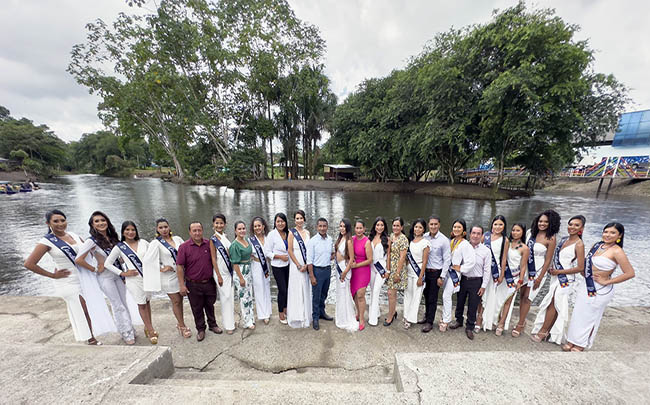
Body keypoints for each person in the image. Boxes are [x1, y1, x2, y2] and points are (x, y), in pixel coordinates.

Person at [24, 210, 114, 344]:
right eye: (56, 221)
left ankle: (91, 334)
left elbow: (91, 250)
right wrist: (53, 275)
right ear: (48, 223)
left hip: (84, 277)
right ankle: (90, 338)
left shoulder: (73, 235)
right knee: (82, 309)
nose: (60, 224)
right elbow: (29, 264)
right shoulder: (46, 242)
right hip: (67, 280)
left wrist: (102, 261)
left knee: (89, 307)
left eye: (62, 220)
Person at [563, 222, 635, 351]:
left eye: (613, 233)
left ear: (620, 235)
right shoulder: (597, 246)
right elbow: (587, 264)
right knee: (579, 314)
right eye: (606, 232)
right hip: (586, 284)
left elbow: (630, 273)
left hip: (601, 289)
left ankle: (581, 343)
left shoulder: (617, 251)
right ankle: (572, 340)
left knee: (591, 316)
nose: (608, 235)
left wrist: (607, 282)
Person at [75, 211, 140, 345]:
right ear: (92, 225)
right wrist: (94, 269)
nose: (101, 223)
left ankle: (129, 328)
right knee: (117, 305)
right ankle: (126, 333)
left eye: (103, 220)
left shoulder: (112, 237)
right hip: (105, 277)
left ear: (107, 222)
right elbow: (79, 259)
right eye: (97, 221)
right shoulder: (91, 241)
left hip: (118, 274)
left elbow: (118, 257)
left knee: (124, 303)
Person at [531, 215, 586, 344]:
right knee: (551, 302)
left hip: (566, 279)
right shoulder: (563, 240)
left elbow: (580, 267)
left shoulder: (579, 244)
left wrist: (559, 271)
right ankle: (548, 331)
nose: (572, 227)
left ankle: (543, 332)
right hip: (555, 277)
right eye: (570, 224)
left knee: (554, 304)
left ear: (581, 228)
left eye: (576, 225)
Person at [104, 221, 157, 344]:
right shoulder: (120, 247)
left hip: (147, 277)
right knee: (141, 304)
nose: (130, 232)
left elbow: (153, 257)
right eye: (127, 230)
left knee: (147, 301)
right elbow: (108, 263)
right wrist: (122, 273)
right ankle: (151, 330)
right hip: (133, 280)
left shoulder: (143, 243)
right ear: (123, 232)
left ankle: (147, 326)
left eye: (133, 229)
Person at [513, 210, 560, 337]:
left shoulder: (551, 238)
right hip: (525, 269)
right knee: (521, 296)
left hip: (538, 271)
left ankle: (520, 324)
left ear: (551, 223)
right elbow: (520, 246)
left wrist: (540, 278)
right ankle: (521, 322)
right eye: (540, 221)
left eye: (545, 222)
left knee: (528, 298)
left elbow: (548, 260)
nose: (542, 224)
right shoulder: (530, 233)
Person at [143, 218, 192, 338]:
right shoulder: (156, 243)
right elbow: (147, 261)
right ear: (157, 229)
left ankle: (180, 323)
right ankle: (182, 325)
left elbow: (187, 251)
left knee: (181, 300)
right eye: (161, 228)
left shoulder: (178, 239)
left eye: (165, 227)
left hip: (182, 274)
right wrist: (161, 267)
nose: (164, 230)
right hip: (169, 277)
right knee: (176, 301)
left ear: (169, 227)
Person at [177, 221, 222, 342]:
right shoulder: (184, 247)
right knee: (196, 308)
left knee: (210, 305)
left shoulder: (209, 244)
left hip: (209, 282)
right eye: (194, 231)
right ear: (190, 232)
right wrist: (182, 285)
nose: (197, 233)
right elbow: (180, 267)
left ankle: (213, 325)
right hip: (193, 283)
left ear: (202, 230)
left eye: (199, 230)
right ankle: (201, 329)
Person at [450, 225, 491, 340]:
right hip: (463, 279)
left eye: (478, 233)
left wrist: (483, 286)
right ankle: (458, 320)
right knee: (460, 301)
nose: (475, 236)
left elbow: (487, 270)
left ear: (482, 235)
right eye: (473, 233)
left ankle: (469, 326)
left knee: (473, 305)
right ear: (469, 234)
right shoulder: (463, 246)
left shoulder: (486, 251)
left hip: (476, 281)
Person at [494, 223, 529, 336]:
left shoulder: (524, 248)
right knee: (498, 298)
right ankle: (495, 319)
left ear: (522, 232)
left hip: (513, 278)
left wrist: (520, 281)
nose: (515, 232)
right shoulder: (506, 243)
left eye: (518, 230)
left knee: (508, 301)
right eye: (513, 230)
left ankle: (502, 323)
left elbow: (523, 266)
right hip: (503, 276)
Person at [440, 219, 475, 332]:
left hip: (455, 274)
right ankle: (445, 317)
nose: (456, 229)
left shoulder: (465, 245)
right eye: (455, 227)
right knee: (445, 295)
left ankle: (446, 320)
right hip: (446, 272)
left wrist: (461, 268)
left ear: (464, 230)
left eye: (459, 227)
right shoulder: (450, 241)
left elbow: (471, 262)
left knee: (446, 295)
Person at [421, 215, 451, 333]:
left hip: (436, 273)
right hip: (425, 272)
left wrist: (442, 276)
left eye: (435, 224)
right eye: (431, 224)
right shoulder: (424, 237)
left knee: (433, 298)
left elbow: (447, 260)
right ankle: (426, 315)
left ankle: (429, 322)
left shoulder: (444, 240)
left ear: (439, 225)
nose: (433, 226)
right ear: (428, 225)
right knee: (426, 295)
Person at [479, 215, 509, 332]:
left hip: (495, 271)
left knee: (491, 296)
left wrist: (501, 275)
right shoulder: (485, 236)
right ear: (492, 225)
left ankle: (487, 321)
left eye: (500, 224)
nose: (497, 227)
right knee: (481, 296)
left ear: (504, 226)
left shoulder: (505, 240)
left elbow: (503, 259)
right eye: (495, 224)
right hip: (482, 270)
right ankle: (479, 319)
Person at [306, 218, 334, 330]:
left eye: (324, 226)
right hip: (317, 271)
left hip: (327, 270)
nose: (322, 228)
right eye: (320, 226)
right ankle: (315, 318)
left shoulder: (330, 239)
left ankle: (322, 313)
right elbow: (309, 261)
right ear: (317, 227)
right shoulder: (312, 241)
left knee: (324, 294)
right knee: (316, 296)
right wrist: (312, 276)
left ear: (327, 227)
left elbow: (330, 254)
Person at [286, 210, 312, 328]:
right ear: (294, 220)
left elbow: (310, 251)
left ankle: (305, 316)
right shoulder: (291, 233)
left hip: (305, 265)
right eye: (297, 218)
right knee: (296, 289)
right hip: (295, 265)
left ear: (304, 219)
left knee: (305, 288)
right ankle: (296, 316)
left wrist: (306, 265)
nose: (299, 220)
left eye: (301, 218)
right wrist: (298, 265)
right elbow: (290, 250)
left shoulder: (308, 233)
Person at [209, 214, 234, 334]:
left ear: (225, 224)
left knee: (230, 297)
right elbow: (213, 258)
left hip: (229, 271)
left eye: (221, 223)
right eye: (217, 223)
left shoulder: (225, 237)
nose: (219, 225)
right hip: (220, 272)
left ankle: (231, 323)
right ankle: (228, 325)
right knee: (225, 297)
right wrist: (218, 275)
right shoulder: (213, 239)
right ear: (213, 225)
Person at [264, 213, 290, 324]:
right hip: (277, 266)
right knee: (282, 289)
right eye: (278, 221)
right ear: (275, 222)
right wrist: (279, 256)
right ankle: (280, 314)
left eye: (282, 221)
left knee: (288, 289)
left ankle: (286, 310)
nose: (280, 223)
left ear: (285, 222)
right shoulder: (271, 235)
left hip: (288, 265)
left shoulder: (288, 233)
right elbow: (267, 252)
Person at [403, 219, 430, 329]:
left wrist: (421, 277)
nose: (417, 229)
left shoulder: (425, 243)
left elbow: (425, 261)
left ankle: (410, 319)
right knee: (407, 295)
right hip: (409, 272)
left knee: (416, 297)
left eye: (420, 227)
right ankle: (405, 315)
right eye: (416, 227)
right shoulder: (410, 241)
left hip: (418, 272)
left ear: (423, 229)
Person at [229, 221, 256, 330]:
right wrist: (240, 278)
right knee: (244, 298)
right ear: (235, 231)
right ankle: (246, 321)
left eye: (243, 228)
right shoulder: (234, 245)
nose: (242, 231)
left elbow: (249, 254)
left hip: (248, 269)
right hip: (240, 271)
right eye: (239, 229)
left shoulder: (246, 240)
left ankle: (251, 318)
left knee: (249, 295)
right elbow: (235, 263)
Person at [335, 219, 359, 331]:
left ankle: (346, 318)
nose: (342, 228)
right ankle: (341, 316)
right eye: (340, 226)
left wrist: (344, 272)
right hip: (338, 268)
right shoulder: (340, 238)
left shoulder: (349, 241)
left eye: (344, 226)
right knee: (340, 293)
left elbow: (351, 259)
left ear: (348, 228)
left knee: (345, 293)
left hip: (345, 269)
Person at [384, 217, 408, 326]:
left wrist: (397, 273)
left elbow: (402, 258)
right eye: (394, 225)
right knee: (391, 293)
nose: (395, 227)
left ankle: (390, 315)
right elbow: (389, 252)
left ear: (402, 227)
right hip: (390, 267)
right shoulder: (392, 236)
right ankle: (393, 312)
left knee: (391, 293)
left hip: (398, 268)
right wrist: (388, 268)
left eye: (398, 225)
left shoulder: (403, 239)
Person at [350, 219, 372, 331]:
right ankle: (358, 313)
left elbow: (370, 260)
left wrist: (356, 265)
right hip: (353, 270)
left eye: (361, 228)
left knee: (360, 295)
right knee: (354, 294)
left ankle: (362, 319)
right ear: (354, 229)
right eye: (357, 228)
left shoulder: (367, 241)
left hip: (363, 270)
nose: (359, 230)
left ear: (364, 229)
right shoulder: (352, 239)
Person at [249, 216, 272, 324]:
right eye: (255, 226)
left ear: (263, 226)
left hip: (266, 265)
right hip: (256, 266)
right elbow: (246, 254)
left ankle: (268, 311)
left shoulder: (269, 238)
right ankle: (263, 315)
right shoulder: (250, 240)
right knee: (259, 289)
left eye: (259, 225)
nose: (257, 228)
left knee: (267, 287)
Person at [368, 217, 389, 327]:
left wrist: (388, 271)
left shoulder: (387, 239)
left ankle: (372, 319)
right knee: (372, 291)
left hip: (382, 268)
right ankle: (376, 313)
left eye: (381, 225)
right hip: (371, 268)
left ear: (384, 226)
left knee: (376, 291)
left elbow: (389, 256)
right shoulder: (370, 238)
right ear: (374, 226)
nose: (379, 227)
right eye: (377, 225)